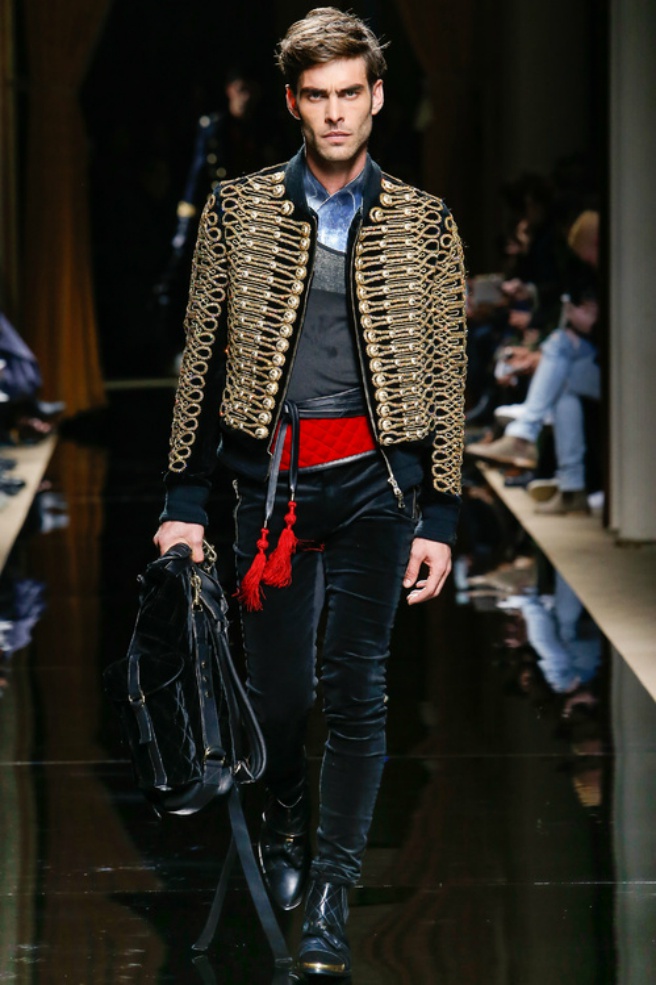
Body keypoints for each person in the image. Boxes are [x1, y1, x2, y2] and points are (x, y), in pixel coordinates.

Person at [153, 7, 467, 977]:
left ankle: (333, 889)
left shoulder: (424, 223)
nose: (335, 113)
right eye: (317, 96)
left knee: (359, 689)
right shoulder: (238, 212)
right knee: (281, 695)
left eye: (350, 94)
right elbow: (201, 359)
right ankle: (285, 803)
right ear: (293, 102)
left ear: (376, 98)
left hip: (376, 484)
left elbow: (444, 372)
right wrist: (184, 501)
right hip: (272, 486)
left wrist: (440, 513)